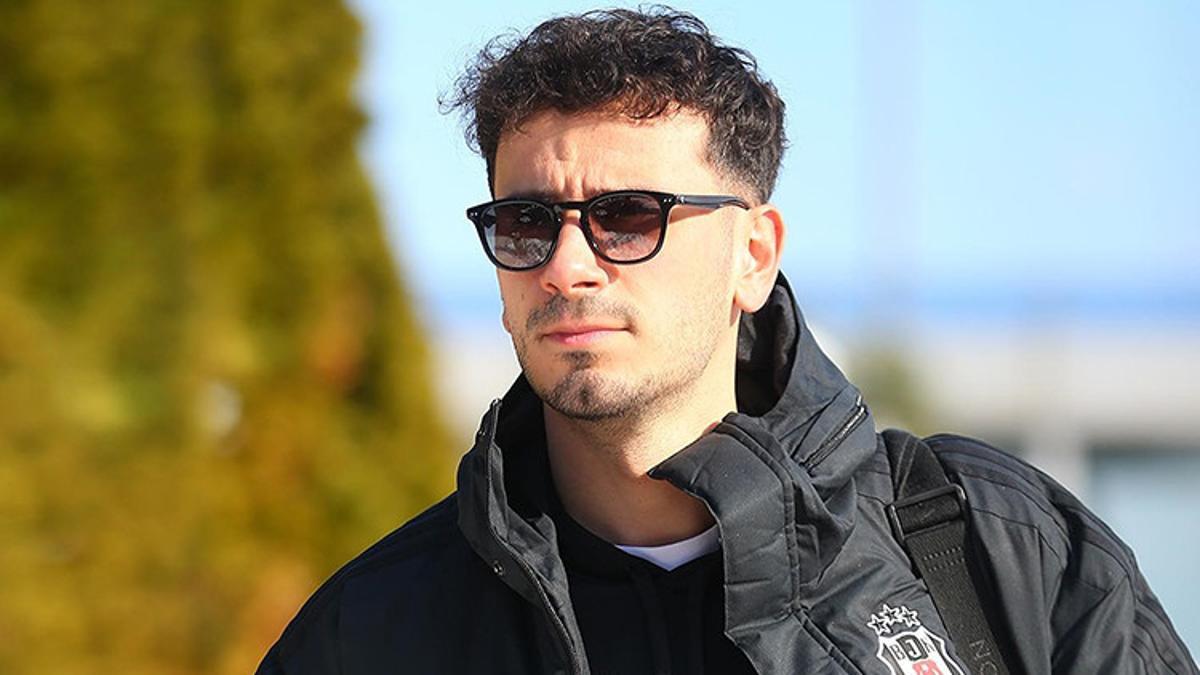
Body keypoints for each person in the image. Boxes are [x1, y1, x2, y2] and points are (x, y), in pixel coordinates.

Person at [258, 8, 1196, 674]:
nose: (568, 266)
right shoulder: (373, 631)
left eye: (629, 216)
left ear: (754, 255)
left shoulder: (999, 554)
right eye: (526, 222)